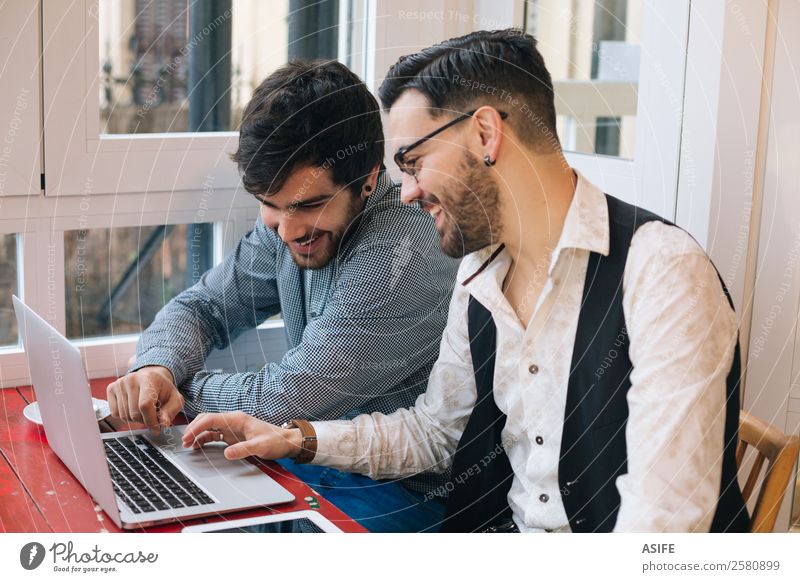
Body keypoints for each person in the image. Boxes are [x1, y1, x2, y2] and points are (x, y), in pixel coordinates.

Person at [179, 29, 749, 533]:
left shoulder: (663, 274)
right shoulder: (480, 271)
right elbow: (435, 433)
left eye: (415, 161)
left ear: (484, 134)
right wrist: (299, 438)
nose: (405, 193)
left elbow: (662, 532)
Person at [106, 60, 460, 532]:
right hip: (305, 457)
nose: (288, 230)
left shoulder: (401, 254)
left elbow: (282, 399)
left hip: (404, 496)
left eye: (309, 206)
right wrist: (157, 367)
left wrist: (177, 388)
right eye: (270, 207)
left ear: (369, 178)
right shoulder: (287, 225)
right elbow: (204, 307)